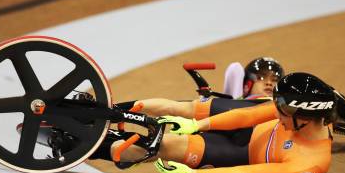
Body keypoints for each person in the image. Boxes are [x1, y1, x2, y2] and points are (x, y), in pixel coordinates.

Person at [109, 72, 338, 173]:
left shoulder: (311, 163)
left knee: (163, 146)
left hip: (238, 151)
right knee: (182, 108)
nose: (276, 112)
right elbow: (250, 115)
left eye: (281, 109)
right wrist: (196, 124)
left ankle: (97, 145)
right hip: (245, 123)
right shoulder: (291, 112)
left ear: (306, 117)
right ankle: (110, 109)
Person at [116, 57, 284, 121]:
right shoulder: (237, 101)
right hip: (230, 112)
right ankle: (115, 109)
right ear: (247, 84)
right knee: (172, 108)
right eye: (262, 78)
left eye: (274, 80)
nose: (269, 84)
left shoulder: (281, 109)